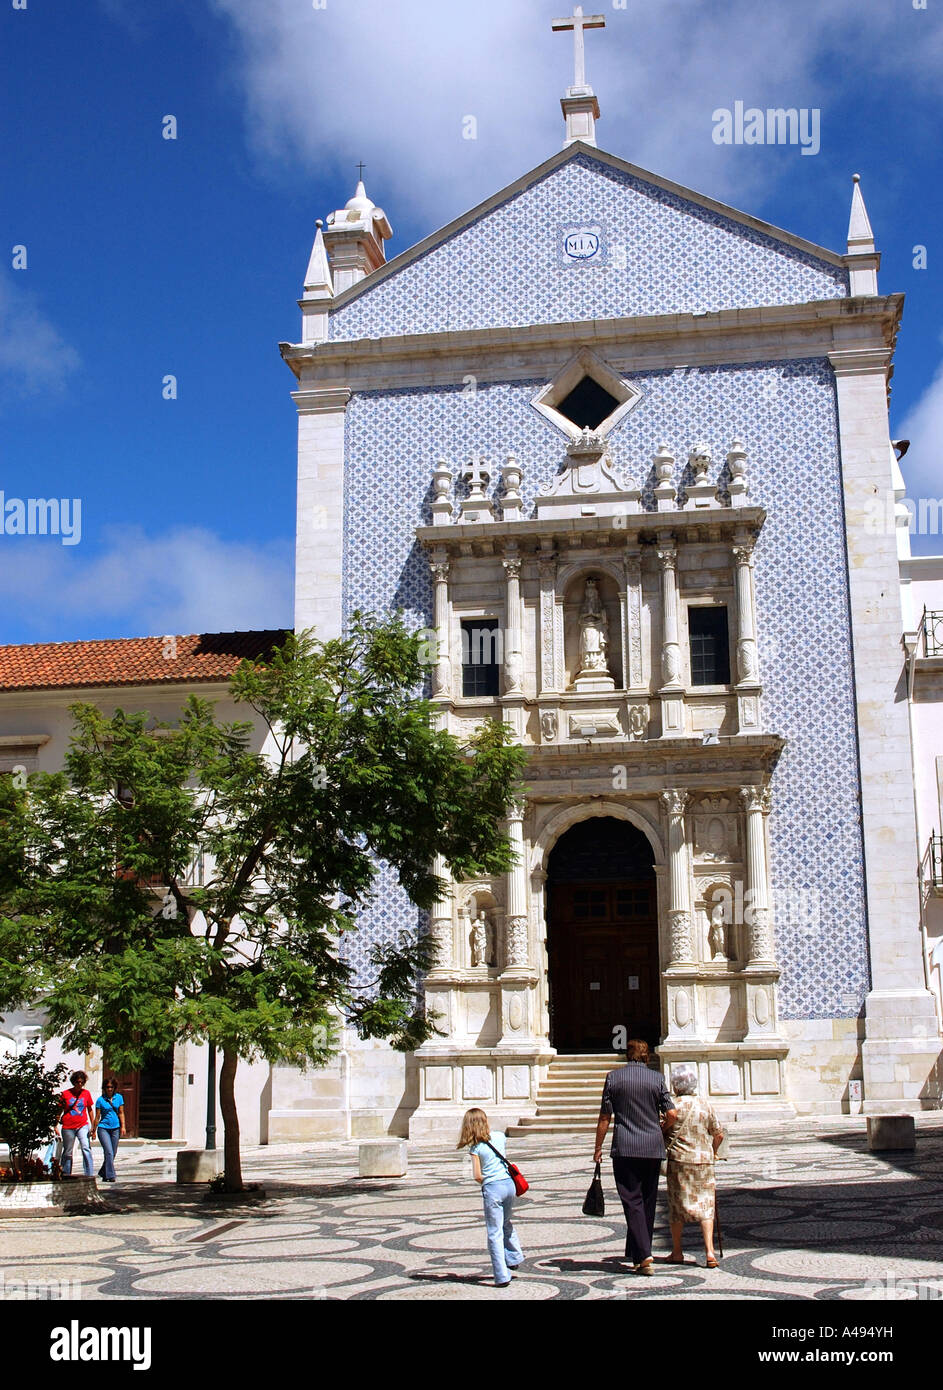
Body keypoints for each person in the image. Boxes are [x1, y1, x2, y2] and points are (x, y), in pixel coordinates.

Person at [593, 1039, 677, 1274]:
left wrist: (597, 1148)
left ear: (627, 1055)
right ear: (646, 1056)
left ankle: (643, 1254)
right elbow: (672, 1113)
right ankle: (639, 1254)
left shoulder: (613, 1078)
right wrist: (660, 1129)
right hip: (652, 1147)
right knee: (647, 1200)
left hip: (626, 1147)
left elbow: (604, 1118)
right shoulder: (657, 1078)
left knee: (631, 1199)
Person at [457, 1107, 524, 1288]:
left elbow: (478, 1176)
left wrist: (487, 1182)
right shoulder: (500, 1137)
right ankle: (515, 1257)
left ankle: (502, 1276)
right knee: (506, 1223)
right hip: (509, 1185)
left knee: (494, 1232)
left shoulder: (476, 1148)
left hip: (493, 1188)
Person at [665, 1065, 724, 1268]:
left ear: (675, 1085)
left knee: (676, 1206)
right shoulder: (704, 1105)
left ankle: (677, 1251)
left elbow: (662, 1128)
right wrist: (713, 1151)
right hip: (704, 1162)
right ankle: (709, 1252)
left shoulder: (672, 1106)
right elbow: (719, 1134)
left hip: (679, 1162)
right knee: (706, 1206)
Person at [56, 1070, 95, 1177]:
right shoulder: (65, 1094)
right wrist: (55, 1125)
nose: (80, 1084)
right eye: (78, 1082)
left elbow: (90, 1109)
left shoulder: (86, 1093)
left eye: (82, 1082)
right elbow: (59, 1110)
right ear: (74, 1082)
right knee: (68, 1150)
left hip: (82, 1125)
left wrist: (93, 1126)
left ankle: (89, 1174)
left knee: (86, 1147)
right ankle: (66, 1173)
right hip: (68, 1126)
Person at [94, 1077, 126, 1183]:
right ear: (104, 1088)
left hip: (115, 1128)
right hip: (103, 1128)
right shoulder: (100, 1100)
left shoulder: (119, 1098)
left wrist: (123, 1126)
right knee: (108, 1151)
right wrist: (93, 1130)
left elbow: (121, 1113)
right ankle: (111, 1175)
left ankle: (104, 1172)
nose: (109, 1089)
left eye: (111, 1087)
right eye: (107, 1087)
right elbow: (97, 1116)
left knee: (113, 1152)